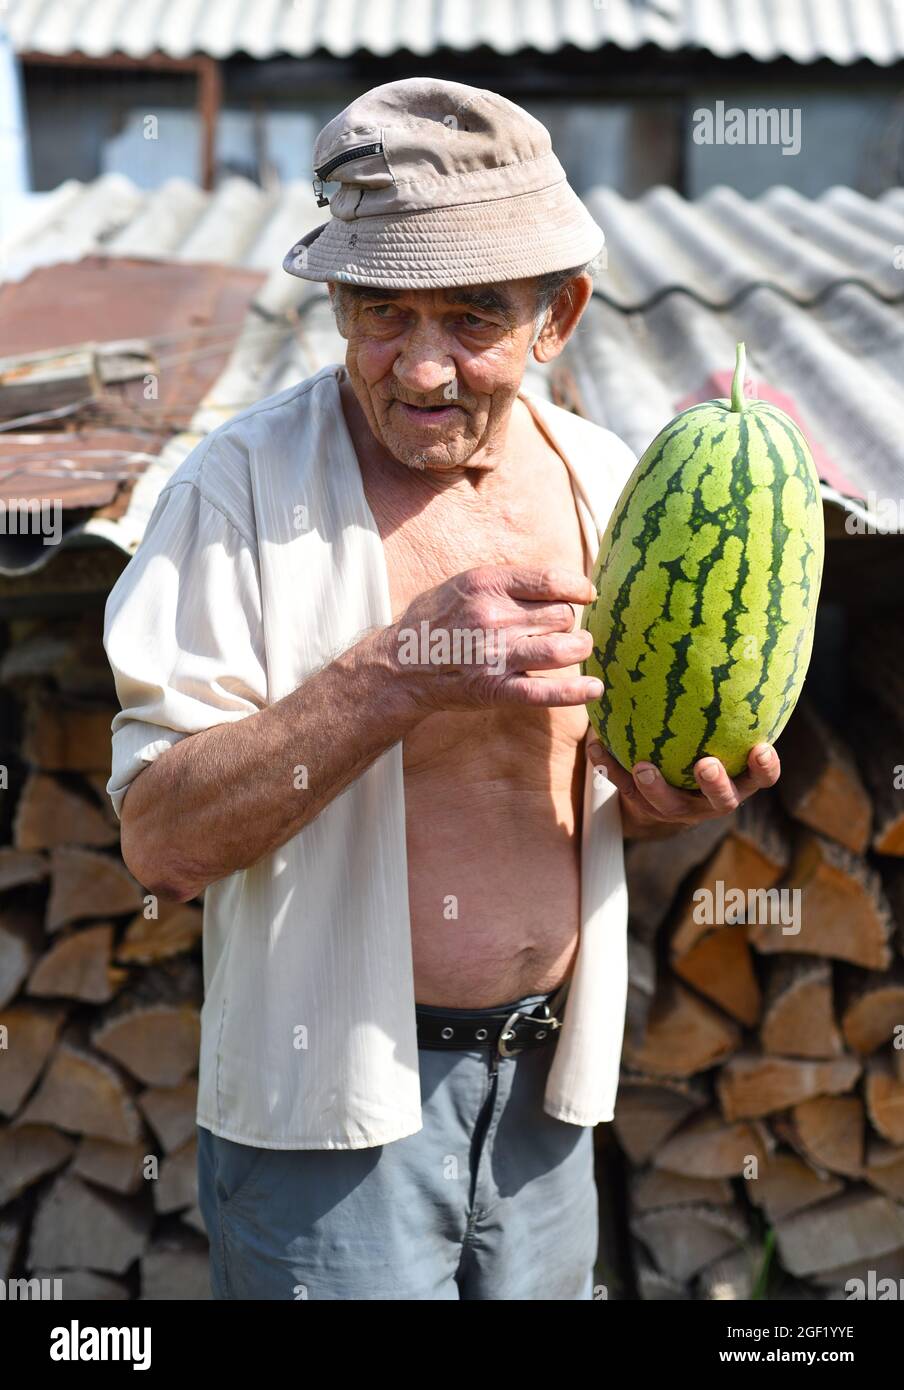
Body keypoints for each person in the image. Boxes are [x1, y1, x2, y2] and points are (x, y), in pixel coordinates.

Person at [103, 78, 781, 1301]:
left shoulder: (614, 488)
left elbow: (592, 812)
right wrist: (393, 675)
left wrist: (667, 807)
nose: (419, 367)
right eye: (379, 311)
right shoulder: (236, 494)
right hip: (327, 1122)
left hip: (549, 1109)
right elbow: (158, 838)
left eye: (471, 316)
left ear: (555, 317)